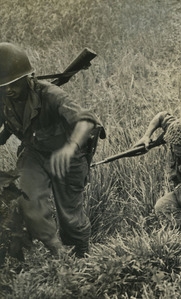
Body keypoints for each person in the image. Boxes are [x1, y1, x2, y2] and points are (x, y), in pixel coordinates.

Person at [0, 42, 105, 258]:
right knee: (28, 201)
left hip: (68, 156)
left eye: (13, 84)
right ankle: (58, 254)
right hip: (34, 153)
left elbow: (87, 121)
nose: (9, 90)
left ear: (28, 78)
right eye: (3, 86)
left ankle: (82, 259)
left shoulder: (50, 94)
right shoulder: (5, 98)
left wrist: (72, 147)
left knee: (71, 220)